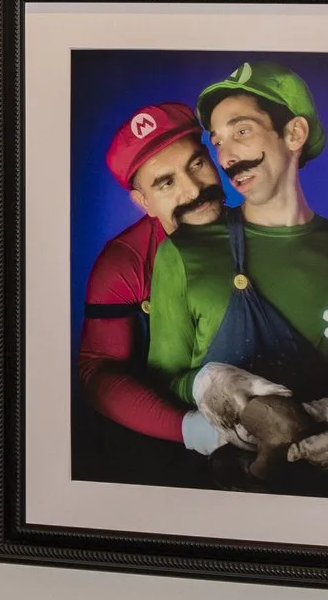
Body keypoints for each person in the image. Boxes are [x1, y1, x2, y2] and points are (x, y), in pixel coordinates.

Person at [143, 63, 328, 488]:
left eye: (241, 131)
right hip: (218, 493)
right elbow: (162, 380)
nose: (226, 157)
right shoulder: (185, 252)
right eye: (217, 142)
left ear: (294, 133)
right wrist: (205, 384)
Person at [76, 102, 231, 454]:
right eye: (166, 183)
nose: (193, 191)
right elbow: (97, 371)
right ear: (142, 201)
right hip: (164, 444)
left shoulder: (262, 229)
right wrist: (188, 429)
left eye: (197, 164)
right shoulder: (123, 263)